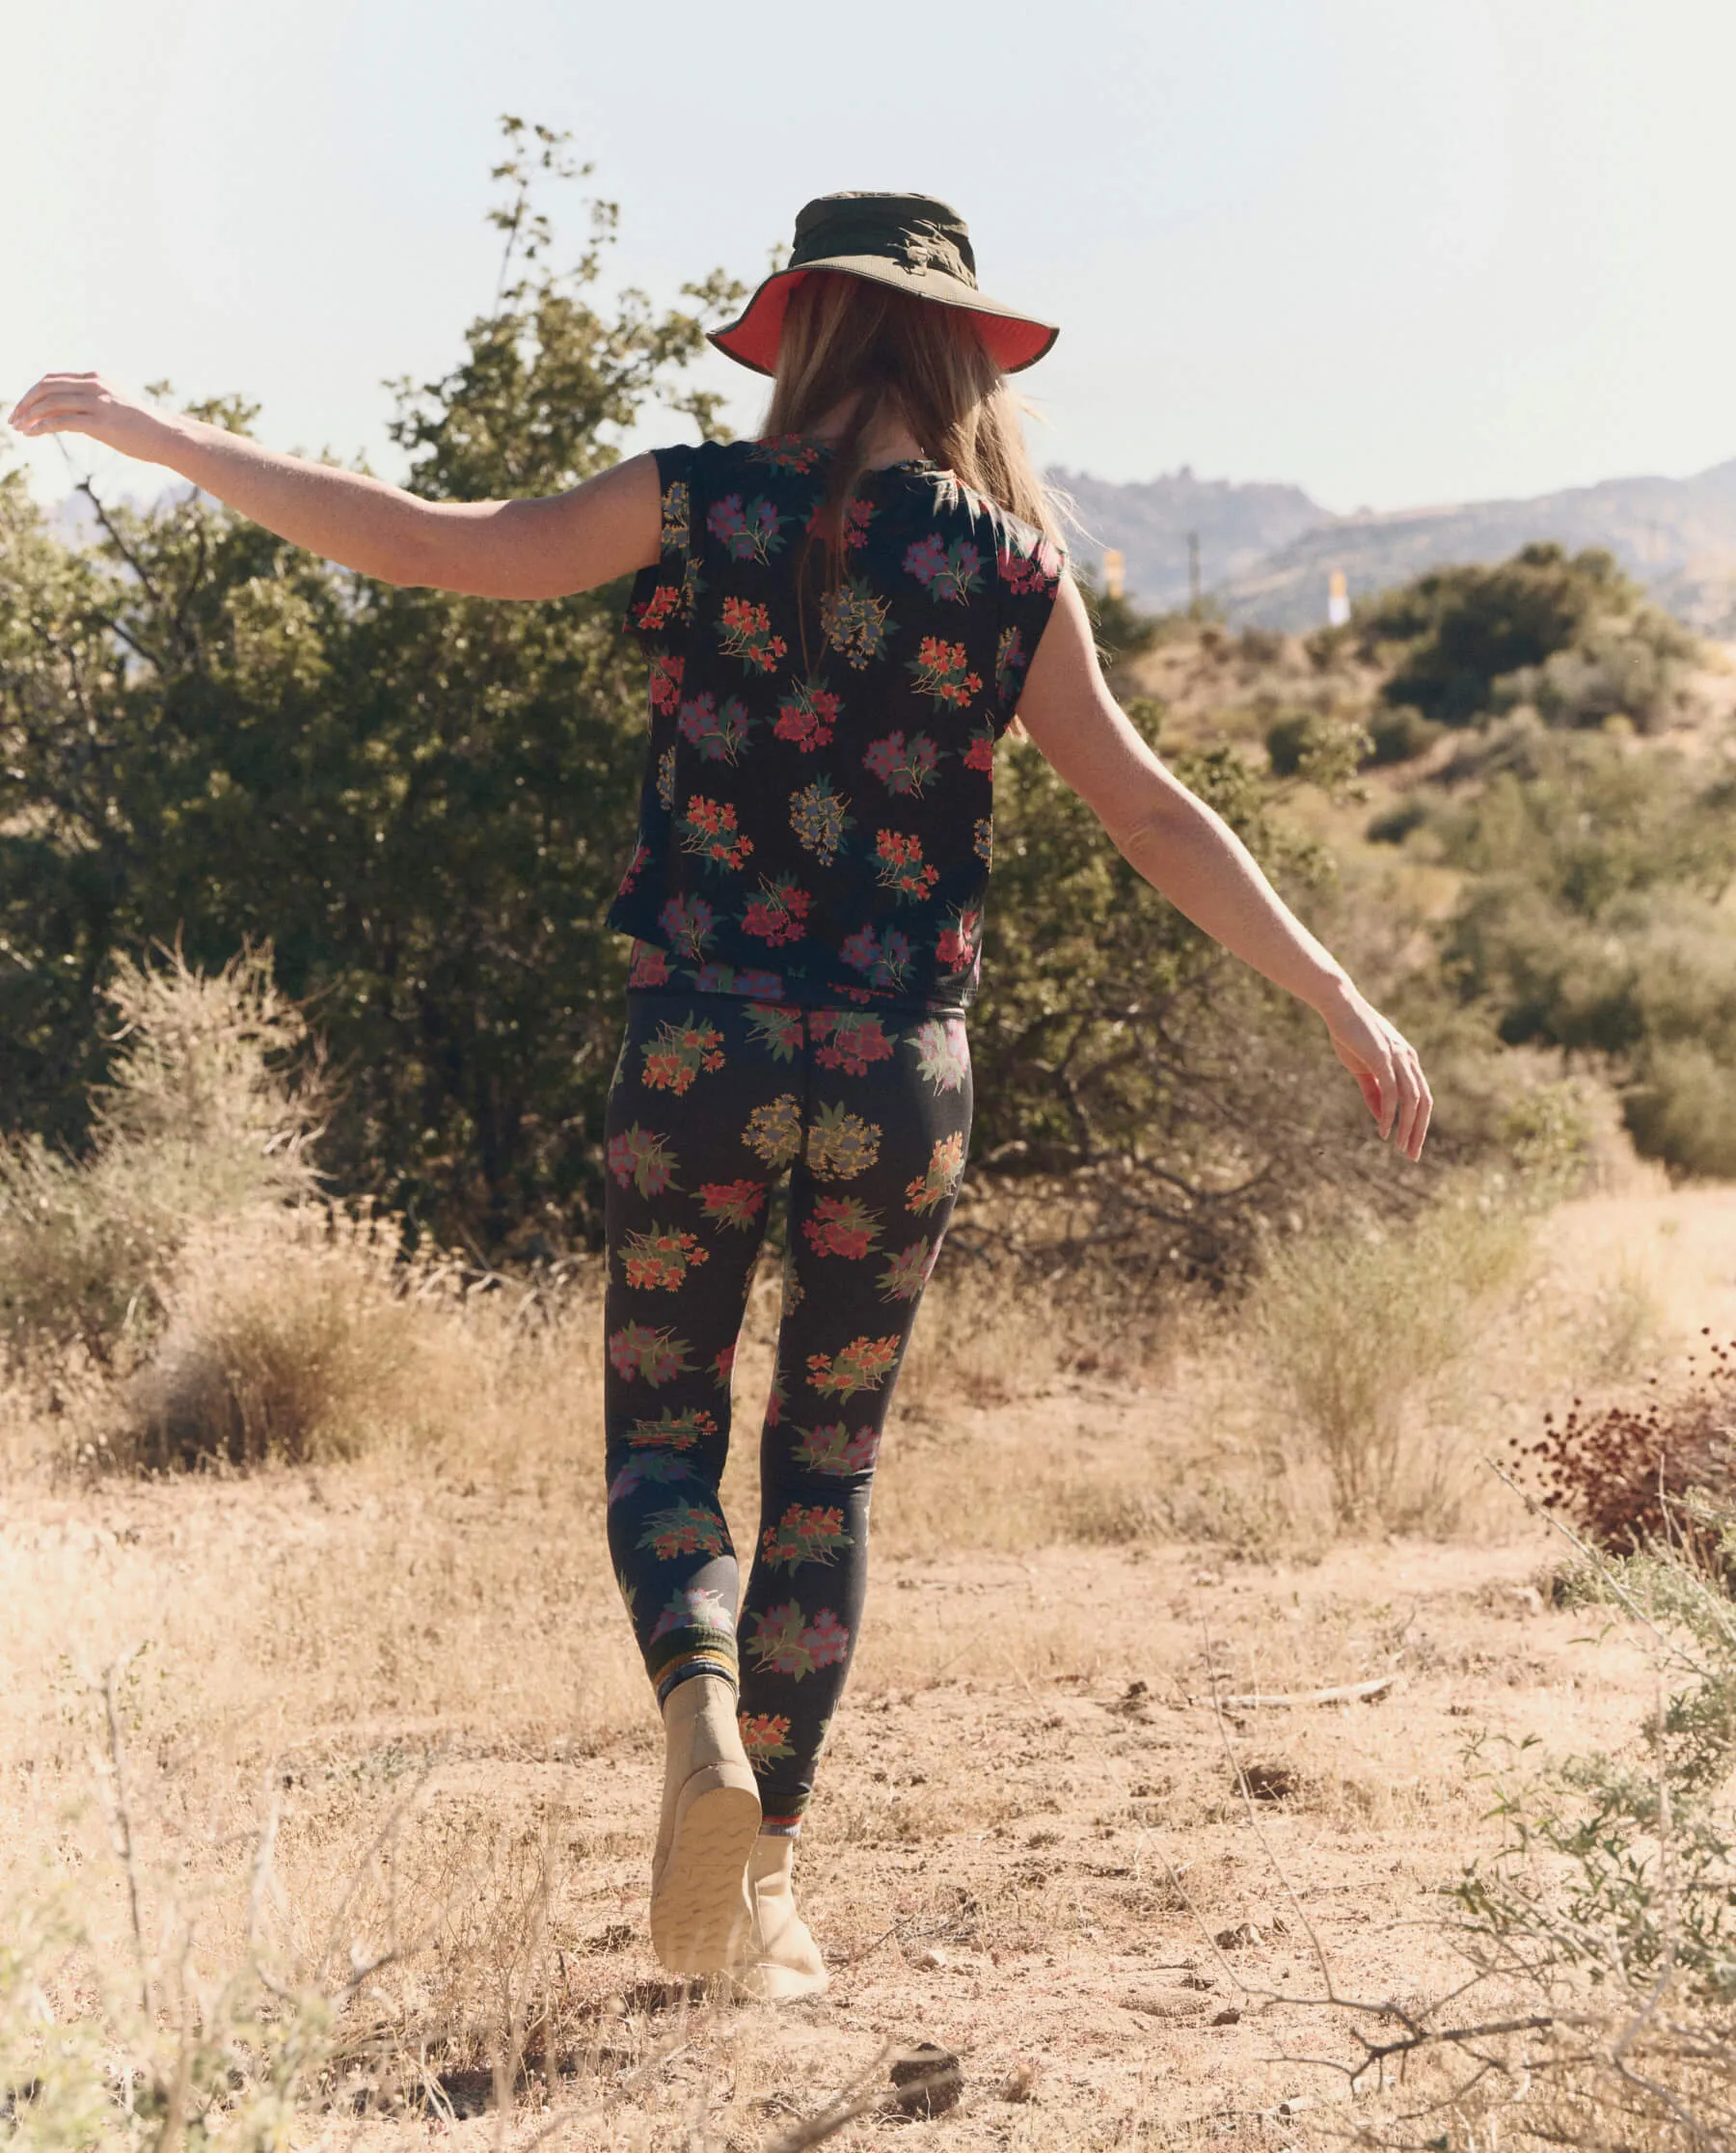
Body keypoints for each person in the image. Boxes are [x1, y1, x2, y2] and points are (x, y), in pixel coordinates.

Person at [10, 189, 1431, 2003]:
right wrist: (1333, 990)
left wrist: (158, 429)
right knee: (825, 1473)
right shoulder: (1009, 566)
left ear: (809, 333)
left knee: (666, 1440)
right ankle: (761, 1880)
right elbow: (1148, 807)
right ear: (957, 349)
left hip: (698, 1051)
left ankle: (700, 1718)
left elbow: (428, 542)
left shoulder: (696, 501)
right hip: (899, 1072)